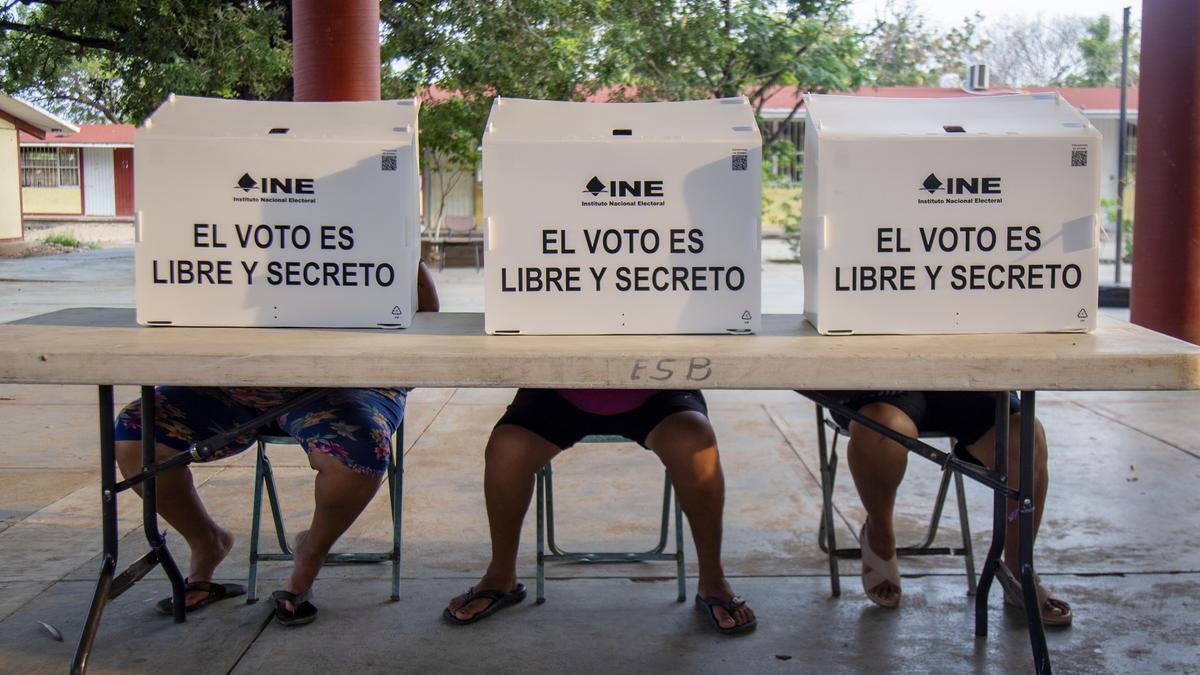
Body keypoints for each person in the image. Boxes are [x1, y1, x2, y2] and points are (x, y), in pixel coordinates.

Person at [114, 261, 439, 627]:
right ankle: (206, 542)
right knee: (136, 434)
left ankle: (309, 556)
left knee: (360, 453)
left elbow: (425, 320)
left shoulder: (374, 233)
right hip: (232, 379)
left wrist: (406, 264)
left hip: (346, 382)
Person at [444, 388, 757, 634]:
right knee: (506, 448)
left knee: (695, 442)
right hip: (557, 387)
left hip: (655, 388)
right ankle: (500, 576)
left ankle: (713, 580)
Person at [823, 391, 1071, 626]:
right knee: (879, 430)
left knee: (1025, 437)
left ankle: (1019, 570)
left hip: (963, 376)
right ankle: (879, 532)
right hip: (881, 386)